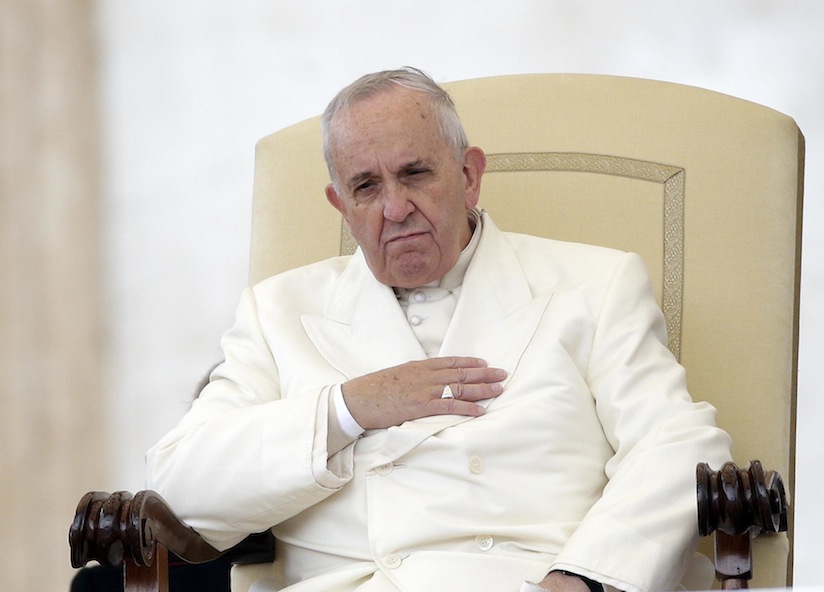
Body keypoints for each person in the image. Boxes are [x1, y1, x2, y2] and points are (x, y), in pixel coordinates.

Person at [145, 67, 733, 592]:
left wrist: (586, 576)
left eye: (415, 174)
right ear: (340, 206)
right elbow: (180, 488)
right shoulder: (277, 312)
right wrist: (349, 408)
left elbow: (680, 445)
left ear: (470, 176)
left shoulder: (595, 285)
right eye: (367, 187)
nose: (394, 208)